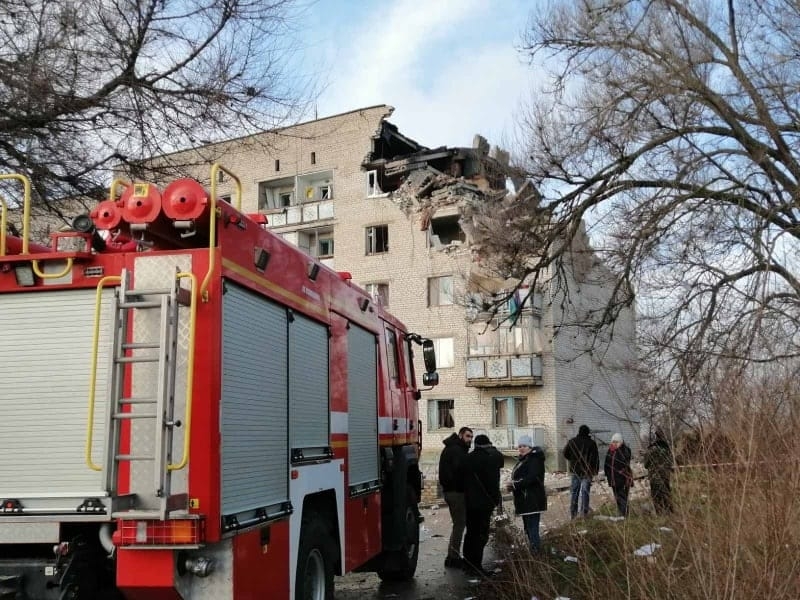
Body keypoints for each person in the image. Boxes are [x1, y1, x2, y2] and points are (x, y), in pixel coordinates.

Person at [462, 434, 503, 576]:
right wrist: (494, 499)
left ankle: (468, 563)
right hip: (484, 503)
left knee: (471, 532)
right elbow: (492, 482)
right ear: (488, 444)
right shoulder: (489, 459)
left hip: (468, 502)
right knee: (481, 533)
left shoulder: (467, 458)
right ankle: (476, 565)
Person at [438, 426, 473, 568]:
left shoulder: (452, 448)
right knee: (460, 524)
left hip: (450, 490)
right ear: (460, 436)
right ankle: (454, 557)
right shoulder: (457, 451)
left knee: (458, 524)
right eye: (467, 436)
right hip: (456, 492)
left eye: (471, 437)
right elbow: (460, 472)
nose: (470, 440)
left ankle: (452, 555)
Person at [508, 435, 547, 552]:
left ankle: (536, 552)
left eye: (524, 446)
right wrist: (513, 484)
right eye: (519, 446)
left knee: (532, 527)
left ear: (530, 447)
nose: (521, 448)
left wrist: (515, 484)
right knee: (528, 528)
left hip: (532, 499)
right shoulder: (524, 459)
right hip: (525, 499)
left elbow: (532, 477)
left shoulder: (534, 459)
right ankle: (533, 550)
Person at [563, 424, 599, 519]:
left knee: (574, 492)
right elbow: (596, 458)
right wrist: (595, 471)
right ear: (588, 432)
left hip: (575, 470)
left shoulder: (572, 441)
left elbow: (565, 454)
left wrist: (573, 460)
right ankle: (584, 513)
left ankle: (573, 514)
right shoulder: (591, 443)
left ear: (579, 432)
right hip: (587, 471)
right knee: (585, 492)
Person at [643, 428, 674, 514]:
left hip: (655, 477)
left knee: (656, 496)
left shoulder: (652, 449)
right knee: (666, 493)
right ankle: (670, 512)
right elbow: (670, 462)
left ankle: (660, 513)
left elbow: (646, 465)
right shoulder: (667, 449)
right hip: (666, 476)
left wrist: (646, 455)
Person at [604, 433, 633, 516]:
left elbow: (625, 462)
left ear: (621, 442)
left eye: (616, 442)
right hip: (613, 478)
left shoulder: (625, 450)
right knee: (617, 496)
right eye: (613, 442)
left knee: (622, 496)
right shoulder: (610, 450)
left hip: (622, 478)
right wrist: (607, 474)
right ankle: (621, 512)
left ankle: (625, 514)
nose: (614, 444)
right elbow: (607, 463)